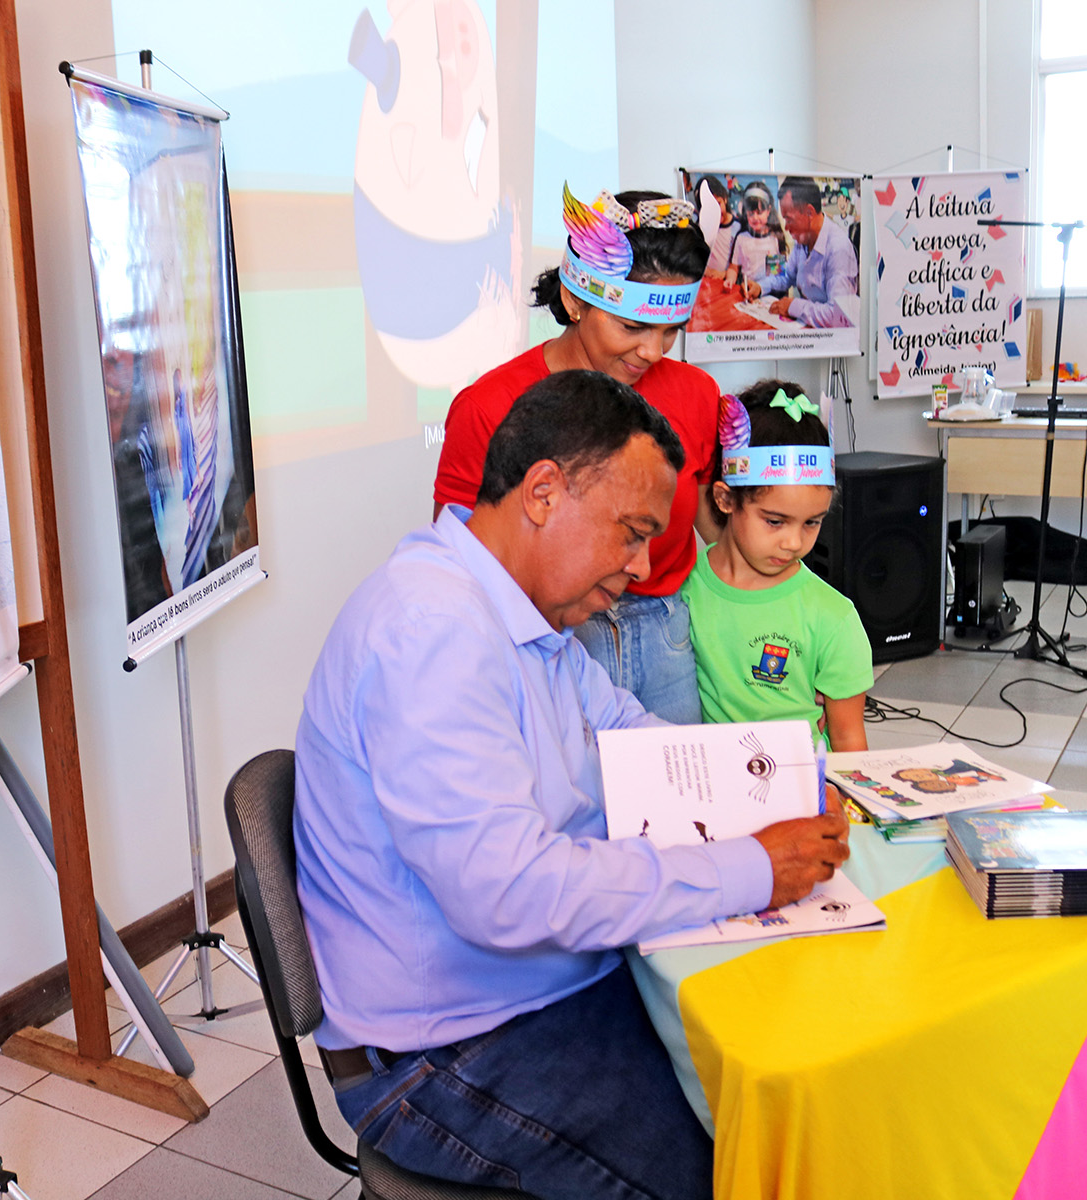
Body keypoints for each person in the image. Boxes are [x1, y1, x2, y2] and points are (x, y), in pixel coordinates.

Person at [299, 370, 851, 1199]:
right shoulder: (433, 631)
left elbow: (634, 737)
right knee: (734, 1170)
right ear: (544, 492)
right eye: (631, 533)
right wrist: (754, 866)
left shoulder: (526, 613)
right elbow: (509, 893)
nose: (641, 565)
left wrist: (775, 791)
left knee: (777, 1084)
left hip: (537, 987)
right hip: (448, 1048)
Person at [433, 183, 721, 722]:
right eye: (632, 326)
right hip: (548, 640)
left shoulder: (696, 394)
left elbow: (720, 534)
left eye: (671, 332)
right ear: (574, 300)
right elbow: (462, 569)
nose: (652, 351)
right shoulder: (488, 407)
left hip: (667, 636)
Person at [683, 381, 872, 750]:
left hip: (805, 783)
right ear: (725, 499)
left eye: (812, 522)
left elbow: (849, 739)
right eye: (774, 521)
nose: (794, 542)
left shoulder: (833, 617)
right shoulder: (683, 590)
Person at [741, 176, 859, 328]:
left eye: (789, 220)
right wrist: (760, 287)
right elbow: (786, 274)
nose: (787, 227)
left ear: (809, 212)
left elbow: (838, 316)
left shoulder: (838, 249)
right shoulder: (802, 241)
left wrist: (794, 306)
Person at [721, 181, 787, 291]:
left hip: (769, 293)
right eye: (751, 214)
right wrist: (730, 280)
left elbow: (778, 276)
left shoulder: (774, 239)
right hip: (746, 292)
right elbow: (734, 267)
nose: (755, 218)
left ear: (768, 210)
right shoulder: (742, 238)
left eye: (759, 213)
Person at [699, 174, 739, 274]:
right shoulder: (700, 227)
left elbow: (740, 263)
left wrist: (725, 274)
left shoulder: (738, 227)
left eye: (718, 204)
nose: (715, 212)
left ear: (725, 199)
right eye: (709, 208)